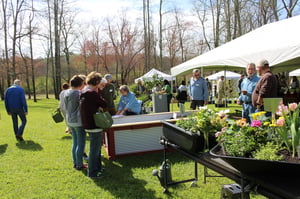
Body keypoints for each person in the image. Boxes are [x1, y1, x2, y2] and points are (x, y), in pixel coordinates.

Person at [80, 72, 107, 178]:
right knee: (94, 150)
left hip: (87, 123)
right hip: (94, 124)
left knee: (95, 149)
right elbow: (104, 104)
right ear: (96, 82)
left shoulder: (83, 92)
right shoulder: (92, 93)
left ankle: (98, 168)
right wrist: (97, 92)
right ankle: (92, 173)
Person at [64, 75, 86, 170]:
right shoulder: (78, 93)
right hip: (78, 121)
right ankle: (79, 164)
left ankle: (75, 162)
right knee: (80, 143)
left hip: (70, 120)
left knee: (75, 143)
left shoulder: (66, 92)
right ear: (81, 84)